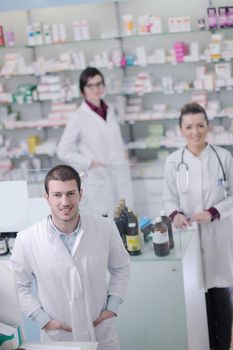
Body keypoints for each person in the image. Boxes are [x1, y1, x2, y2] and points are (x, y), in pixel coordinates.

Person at [10, 164, 130, 350]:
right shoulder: (27, 239)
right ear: (46, 198)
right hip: (59, 336)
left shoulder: (105, 228)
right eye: (57, 195)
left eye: (70, 193)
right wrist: (43, 320)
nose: (65, 202)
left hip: (101, 332)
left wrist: (112, 307)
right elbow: (18, 285)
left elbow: (121, 267)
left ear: (80, 194)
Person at [163, 102, 233, 350]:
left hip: (218, 234)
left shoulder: (223, 157)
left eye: (200, 125)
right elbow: (169, 197)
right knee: (196, 299)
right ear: (181, 130)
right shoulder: (173, 161)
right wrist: (176, 214)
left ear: (208, 126)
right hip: (188, 237)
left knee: (221, 297)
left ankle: (222, 346)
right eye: (189, 127)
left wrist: (214, 211)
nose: (196, 131)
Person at [57, 67, 133, 217]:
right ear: (82, 90)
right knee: (105, 225)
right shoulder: (78, 117)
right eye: (90, 86)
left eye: (99, 84)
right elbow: (63, 151)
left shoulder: (109, 109)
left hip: (119, 174)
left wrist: (123, 155)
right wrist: (89, 162)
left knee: (127, 223)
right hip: (98, 179)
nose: (96, 89)